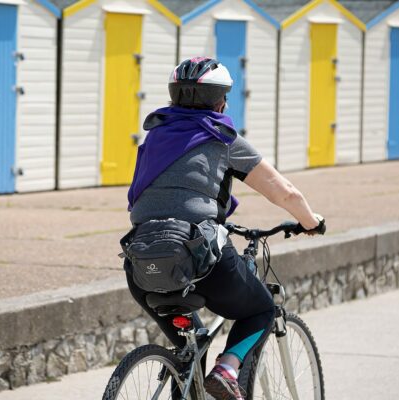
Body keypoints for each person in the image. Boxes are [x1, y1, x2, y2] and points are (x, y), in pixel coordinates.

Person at [124, 57, 324, 400]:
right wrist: (311, 222)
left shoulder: (155, 136)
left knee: (192, 348)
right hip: (198, 254)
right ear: (220, 101)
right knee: (260, 309)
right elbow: (284, 192)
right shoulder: (220, 137)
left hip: (141, 262)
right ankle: (228, 369)